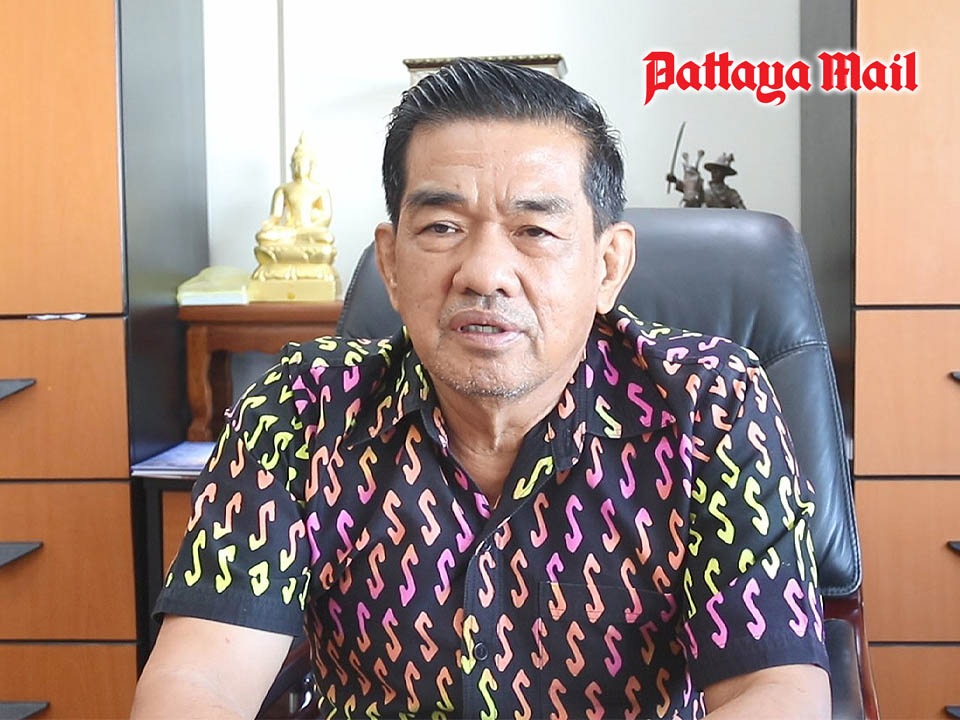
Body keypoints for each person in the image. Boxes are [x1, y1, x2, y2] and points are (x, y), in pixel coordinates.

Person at [131, 58, 830, 719]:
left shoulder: (708, 405)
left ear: (608, 266)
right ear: (390, 264)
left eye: (535, 229)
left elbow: (775, 687)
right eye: (442, 227)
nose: (484, 272)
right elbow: (199, 680)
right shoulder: (303, 410)